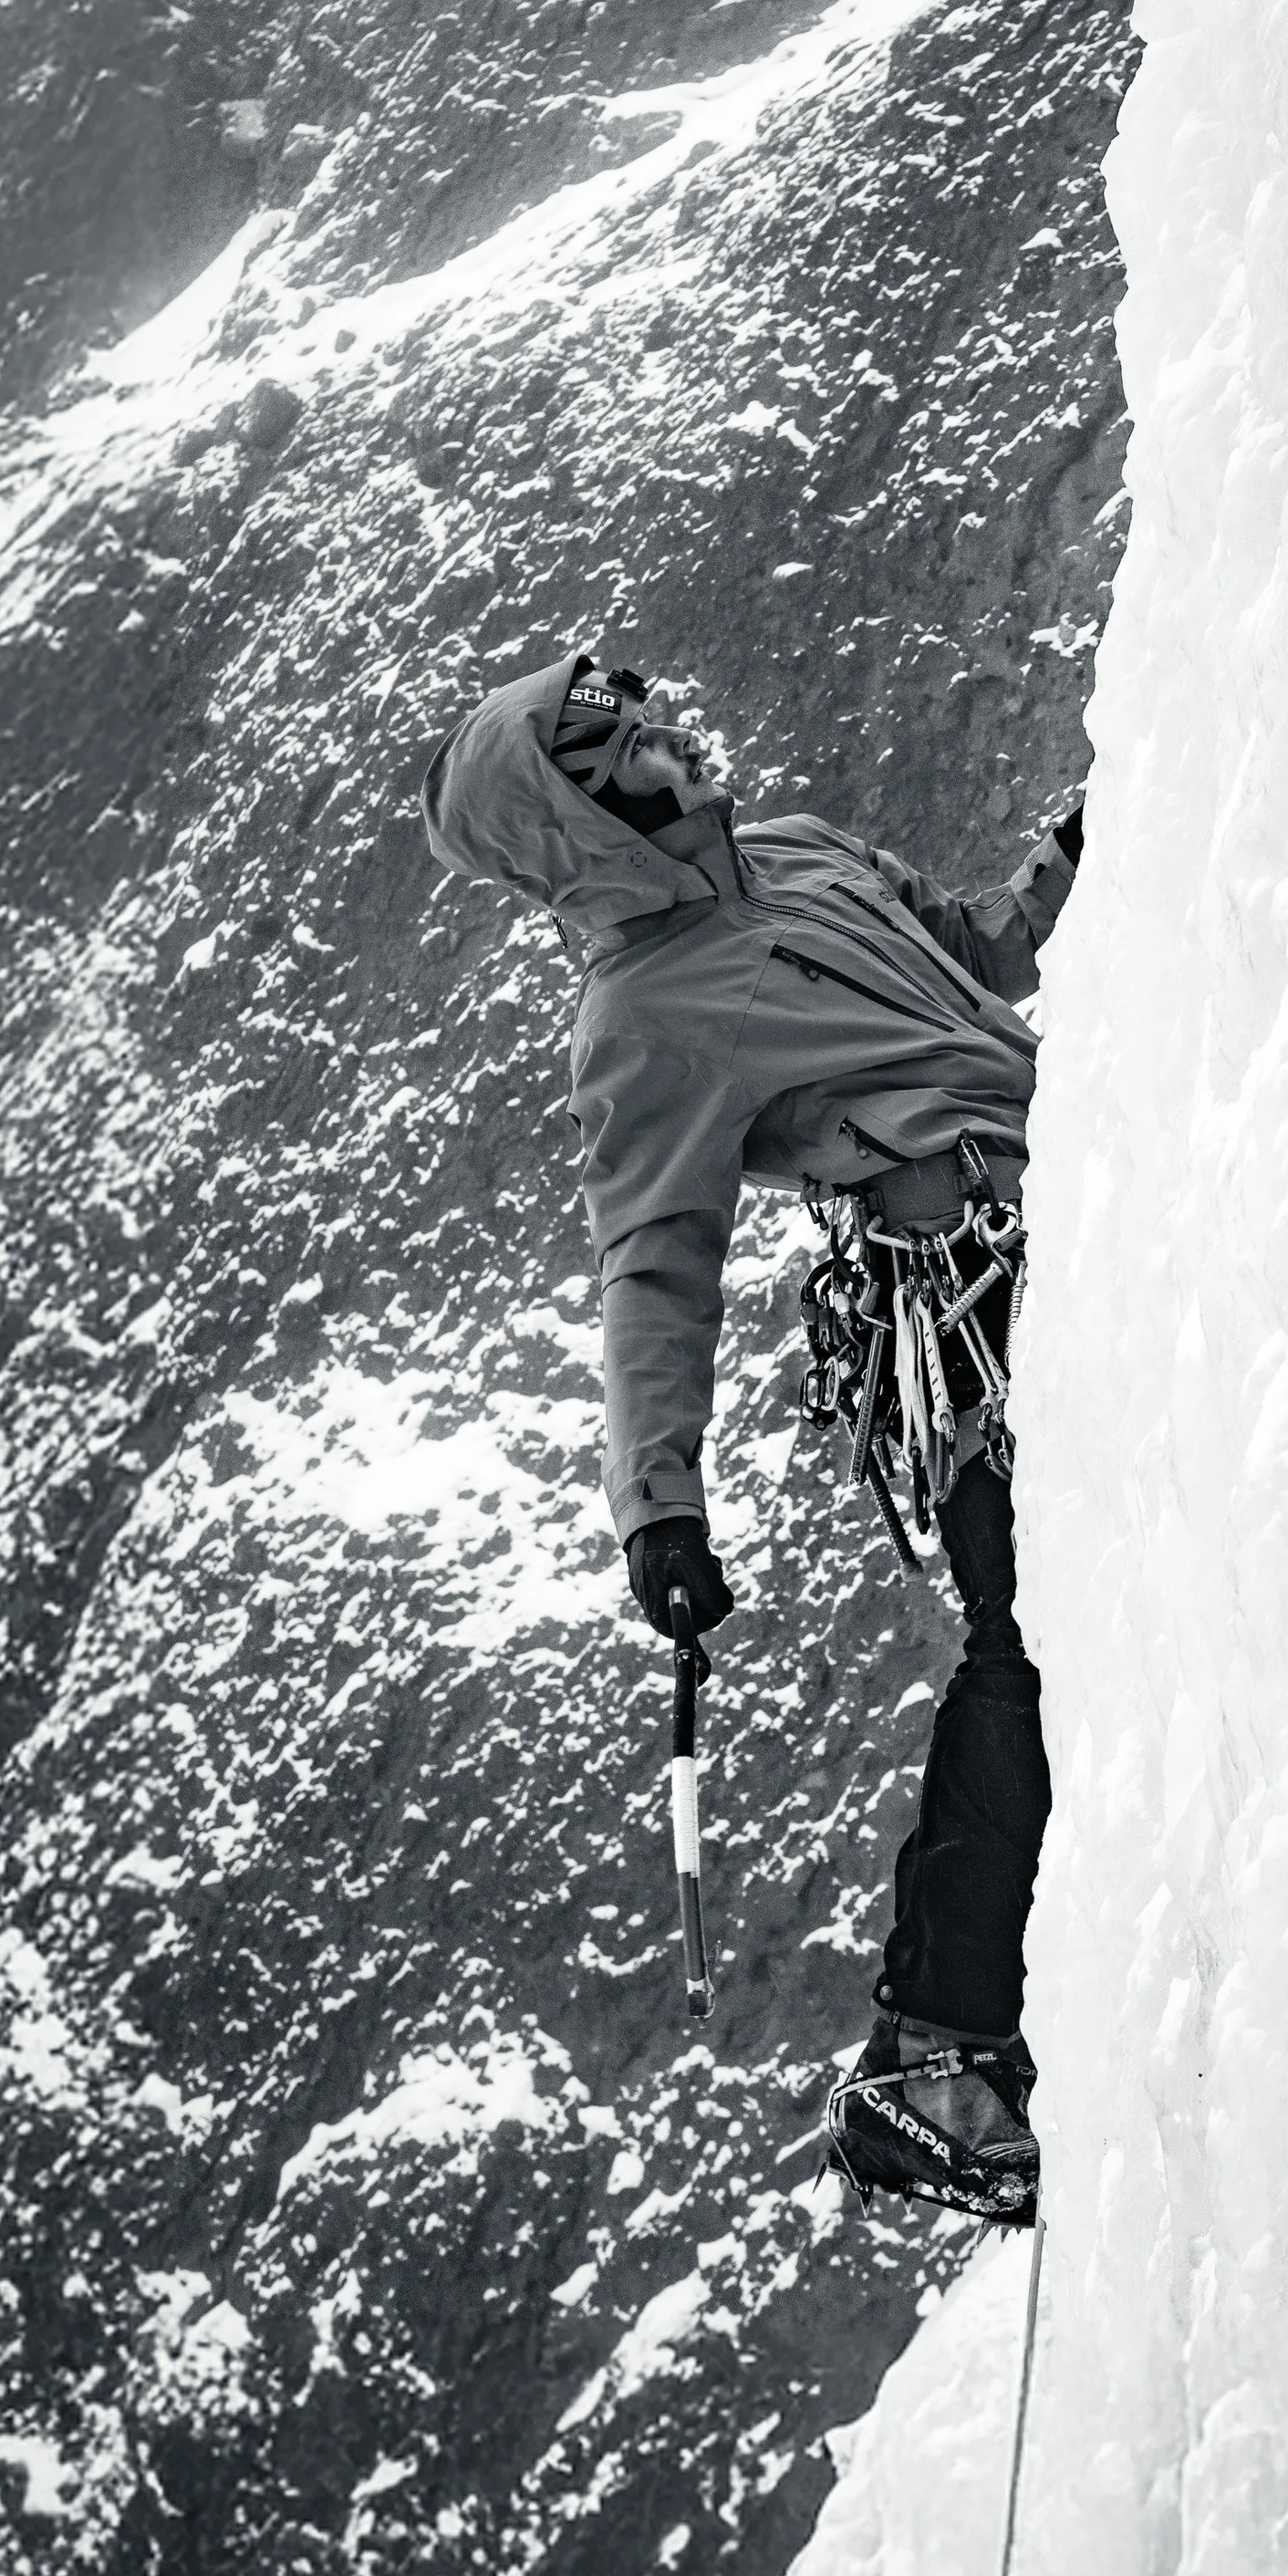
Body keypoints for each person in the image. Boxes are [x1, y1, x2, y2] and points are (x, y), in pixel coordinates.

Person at [420, 649, 1084, 2219]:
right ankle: (937, 2057)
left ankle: (962, 2046)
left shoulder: (801, 849)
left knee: (1054, 1632)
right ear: (574, 820)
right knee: (1030, 1642)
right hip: (971, 1304)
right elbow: (654, 1262)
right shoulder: (643, 1018)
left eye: (631, 702)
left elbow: (978, 955)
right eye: (606, 737)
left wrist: (1074, 857)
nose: (655, 724)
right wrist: (659, 1507)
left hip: (1055, 1223)